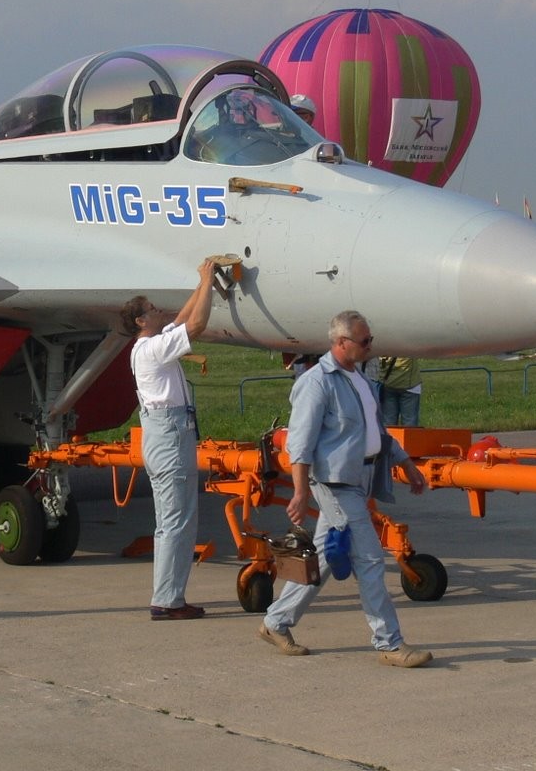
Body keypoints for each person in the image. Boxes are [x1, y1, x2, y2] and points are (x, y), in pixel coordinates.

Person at [257, 310, 432, 667]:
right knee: (369, 559)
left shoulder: (361, 379)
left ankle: (275, 622)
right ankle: (389, 643)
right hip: (336, 485)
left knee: (322, 557)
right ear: (341, 343)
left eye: (371, 340)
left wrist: (408, 465)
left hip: (360, 479)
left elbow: (377, 433)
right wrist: (301, 491)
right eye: (364, 341)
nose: (371, 347)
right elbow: (300, 444)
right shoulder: (317, 382)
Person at [121, 260, 218, 620]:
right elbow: (196, 325)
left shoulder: (150, 345)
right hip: (169, 434)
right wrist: (209, 281)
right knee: (177, 520)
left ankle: (168, 597)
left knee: (171, 520)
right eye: (150, 309)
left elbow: (181, 320)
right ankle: (167, 601)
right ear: (140, 321)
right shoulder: (151, 350)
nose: (158, 310)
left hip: (164, 432)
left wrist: (201, 284)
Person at [368, 355, 422, 427]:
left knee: (388, 425)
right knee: (409, 425)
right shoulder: (409, 348)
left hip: (388, 385)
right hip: (409, 386)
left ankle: (389, 437)